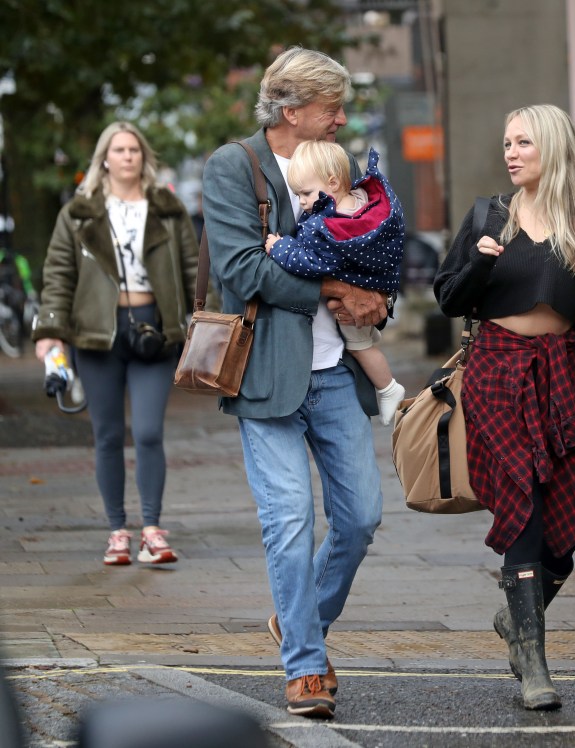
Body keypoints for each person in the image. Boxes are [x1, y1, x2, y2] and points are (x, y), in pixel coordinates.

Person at [201, 46, 388, 719]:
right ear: (289, 110)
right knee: (288, 519)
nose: (340, 118)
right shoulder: (236, 167)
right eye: (329, 106)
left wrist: (374, 295)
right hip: (266, 375)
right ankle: (305, 667)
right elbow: (242, 270)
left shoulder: (337, 165)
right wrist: (334, 286)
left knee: (362, 515)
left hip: (336, 373)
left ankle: (296, 619)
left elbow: (369, 246)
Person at [434, 104, 575, 710]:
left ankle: (518, 621)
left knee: (563, 539)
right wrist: (481, 260)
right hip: (495, 374)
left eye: (524, 143)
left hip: (559, 379)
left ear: (554, 149)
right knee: (524, 510)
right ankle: (535, 665)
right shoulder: (488, 216)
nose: (511, 152)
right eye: (507, 142)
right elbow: (447, 298)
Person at [32, 121, 199, 566]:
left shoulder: (168, 209)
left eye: (134, 150)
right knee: (107, 435)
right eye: (119, 149)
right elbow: (59, 275)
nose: (128, 156)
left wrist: (205, 323)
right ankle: (116, 532)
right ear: (104, 158)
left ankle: (152, 530)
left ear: (143, 157)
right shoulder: (79, 212)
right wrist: (50, 330)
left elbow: (193, 268)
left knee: (147, 432)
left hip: (154, 330)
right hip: (95, 333)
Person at [264, 139, 405, 426]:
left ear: (332, 182)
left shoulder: (329, 227)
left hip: (357, 298)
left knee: (359, 345)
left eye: (305, 193)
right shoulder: (368, 202)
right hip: (380, 282)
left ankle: (389, 387)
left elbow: (311, 263)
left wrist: (279, 247)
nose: (302, 202)